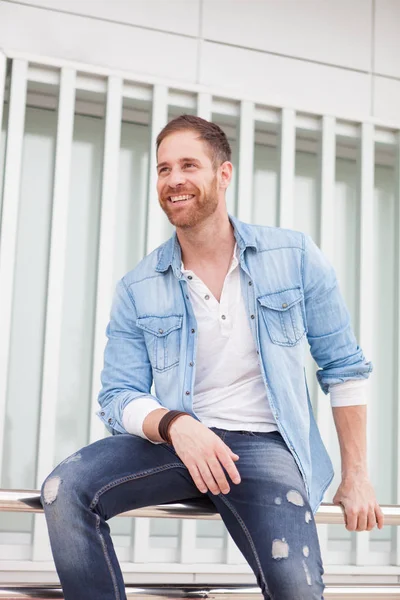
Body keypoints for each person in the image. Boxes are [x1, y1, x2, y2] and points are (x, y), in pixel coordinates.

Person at [41, 115, 384, 600]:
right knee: (64, 489)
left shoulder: (295, 256)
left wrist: (356, 475)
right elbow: (119, 395)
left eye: (188, 165)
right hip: (178, 443)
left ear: (223, 174)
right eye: (163, 169)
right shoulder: (137, 287)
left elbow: (344, 367)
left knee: (297, 591)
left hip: (266, 446)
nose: (174, 179)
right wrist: (178, 426)